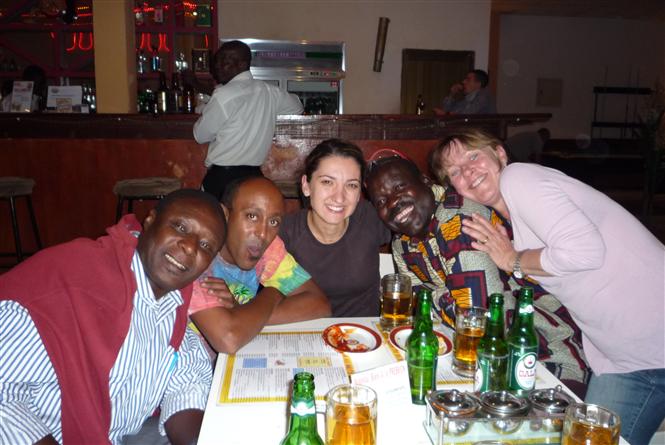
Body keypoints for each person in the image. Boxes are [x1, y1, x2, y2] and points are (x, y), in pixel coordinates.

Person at [431, 128, 665, 445]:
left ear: (500, 153)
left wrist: (513, 259)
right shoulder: (516, 219)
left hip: (653, 341)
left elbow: (585, 252)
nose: (468, 171)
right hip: (617, 357)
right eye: (455, 171)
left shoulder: (519, 177)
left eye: (473, 156)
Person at [0, 189, 227, 445]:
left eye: (206, 245)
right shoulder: (70, 278)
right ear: (150, 222)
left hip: (114, 435)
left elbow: (187, 378)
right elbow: (3, 396)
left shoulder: (172, 302)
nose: (190, 246)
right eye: (181, 227)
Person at [365, 155, 590, 393]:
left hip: (545, 357)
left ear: (424, 181)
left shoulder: (461, 219)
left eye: (400, 186)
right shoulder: (402, 242)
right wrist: (438, 300)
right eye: (380, 201)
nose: (392, 203)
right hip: (475, 360)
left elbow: (477, 319)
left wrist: (433, 296)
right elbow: (422, 312)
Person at [189, 176, 331, 355]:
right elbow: (229, 338)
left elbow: (319, 304)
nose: (263, 233)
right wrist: (273, 294)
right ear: (225, 215)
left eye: (273, 222)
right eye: (252, 216)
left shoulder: (268, 250)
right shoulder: (197, 253)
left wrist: (242, 313)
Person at [279, 139, 391, 316]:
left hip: (364, 337)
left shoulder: (370, 218)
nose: (339, 197)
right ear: (306, 186)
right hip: (304, 336)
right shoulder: (285, 232)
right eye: (327, 182)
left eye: (351, 185)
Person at [193, 40, 304, 200]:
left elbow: (200, 135)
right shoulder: (269, 92)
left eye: (225, 62)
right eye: (218, 62)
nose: (218, 66)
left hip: (223, 177)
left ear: (242, 64)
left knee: (216, 224)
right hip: (254, 177)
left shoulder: (223, 94)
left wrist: (204, 111)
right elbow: (297, 106)